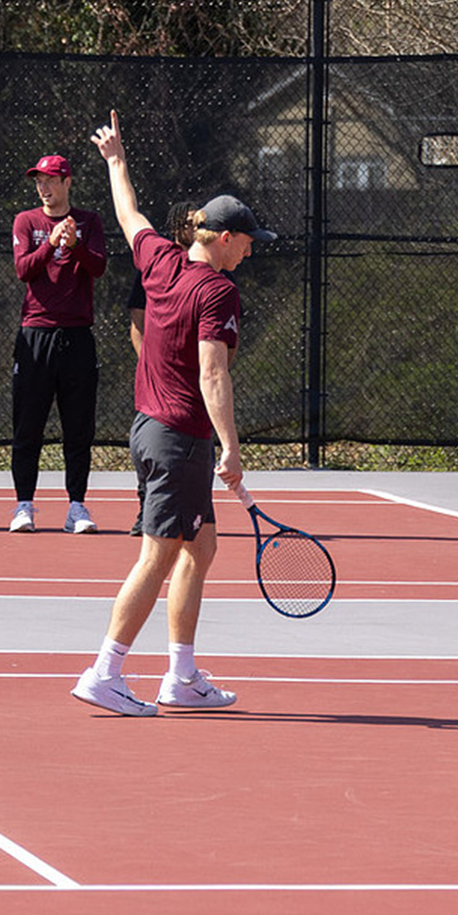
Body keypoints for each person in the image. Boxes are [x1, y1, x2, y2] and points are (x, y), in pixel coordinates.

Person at [72, 111, 277, 716]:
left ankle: (181, 677)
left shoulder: (160, 259)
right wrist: (232, 448)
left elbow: (129, 214)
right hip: (179, 438)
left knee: (201, 546)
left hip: (150, 429)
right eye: (246, 241)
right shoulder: (217, 290)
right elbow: (213, 372)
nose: (249, 251)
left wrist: (116, 162)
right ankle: (104, 671)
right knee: (158, 554)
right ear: (220, 237)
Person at [8, 154, 108, 535]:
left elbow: (98, 266)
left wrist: (76, 244)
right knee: (27, 425)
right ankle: (23, 506)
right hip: (35, 335)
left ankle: (77, 507)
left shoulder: (90, 221)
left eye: (51, 180)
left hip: (78, 336)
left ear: (68, 181)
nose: (44, 188)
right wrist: (50, 244)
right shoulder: (26, 221)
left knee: (78, 427)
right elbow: (23, 270)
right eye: (39, 181)